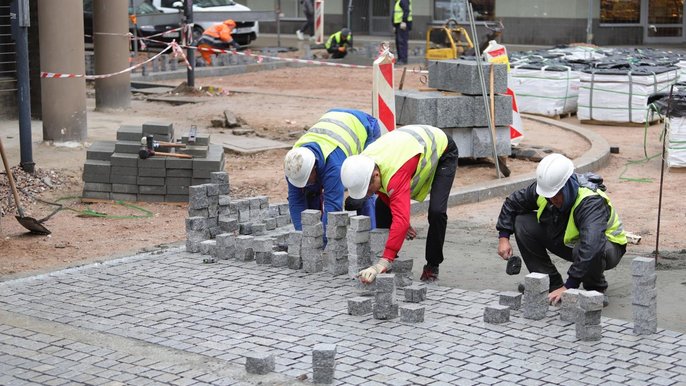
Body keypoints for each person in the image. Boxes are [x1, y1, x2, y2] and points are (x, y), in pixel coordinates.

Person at [495, 153, 627, 306]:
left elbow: (592, 245)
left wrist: (569, 285)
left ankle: (594, 292)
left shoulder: (590, 202)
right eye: (549, 196)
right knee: (523, 222)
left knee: (585, 247)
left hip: (608, 248)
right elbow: (512, 202)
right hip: (573, 242)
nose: (552, 199)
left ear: (569, 184)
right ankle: (549, 284)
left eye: (557, 195)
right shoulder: (545, 189)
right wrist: (503, 237)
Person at [341, 125, 459, 284]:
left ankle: (432, 266)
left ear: (376, 175)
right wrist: (401, 219)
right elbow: (384, 193)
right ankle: (389, 263)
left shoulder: (394, 173)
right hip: (409, 147)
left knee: (437, 211)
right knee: (382, 208)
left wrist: (385, 259)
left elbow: (400, 219)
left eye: (368, 191)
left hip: (443, 150)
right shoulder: (364, 163)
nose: (369, 195)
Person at [284, 108, 380, 238]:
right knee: (309, 191)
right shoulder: (294, 164)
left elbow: (333, 207)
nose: (305, 183)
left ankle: (370, 238)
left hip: (365, 126)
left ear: (314, 166)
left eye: (307, 179)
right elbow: (296, 201)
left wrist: (322, 243)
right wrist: (305, 238)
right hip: (332, 120)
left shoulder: (334, 167)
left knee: (363, 188)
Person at [393, 0, 412, 65]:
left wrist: (404, 21)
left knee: (402, 42)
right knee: (398, 42)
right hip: (398, 24)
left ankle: (403, 59)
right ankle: (400, 59)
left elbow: (406, 11)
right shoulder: (398, 1)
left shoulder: (403, 0)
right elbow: (395, 14)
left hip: (402, 24)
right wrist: (394, 25)